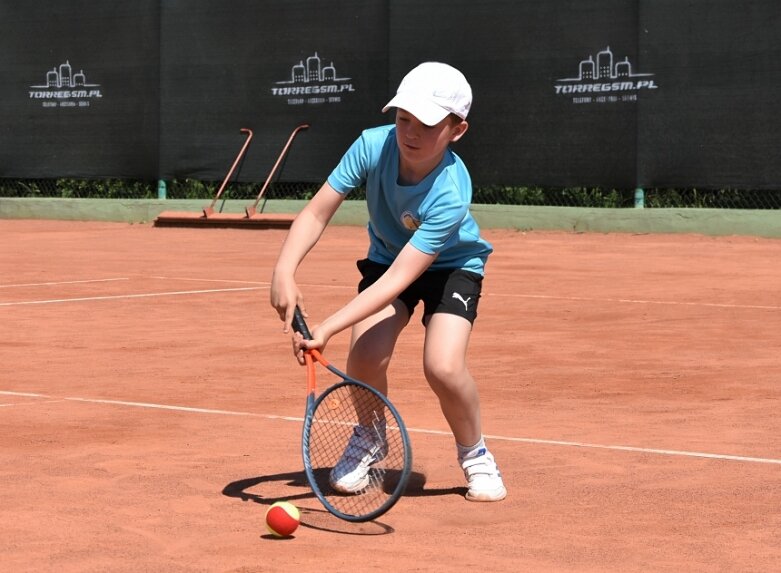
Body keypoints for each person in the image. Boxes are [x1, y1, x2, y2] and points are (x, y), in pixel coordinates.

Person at [270, 62, 506, 502]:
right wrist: (284, 270)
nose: (410, 133)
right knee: (365, 355)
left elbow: (401, 278)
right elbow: (317, 211)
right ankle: (370, 435)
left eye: (427, 124)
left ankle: (475, 453)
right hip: (386, 257)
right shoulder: (371, 145)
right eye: (403, 119)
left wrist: (325, 328)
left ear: (457, 130)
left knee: (444, 366)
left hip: (450, 266)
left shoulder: (452, 191)